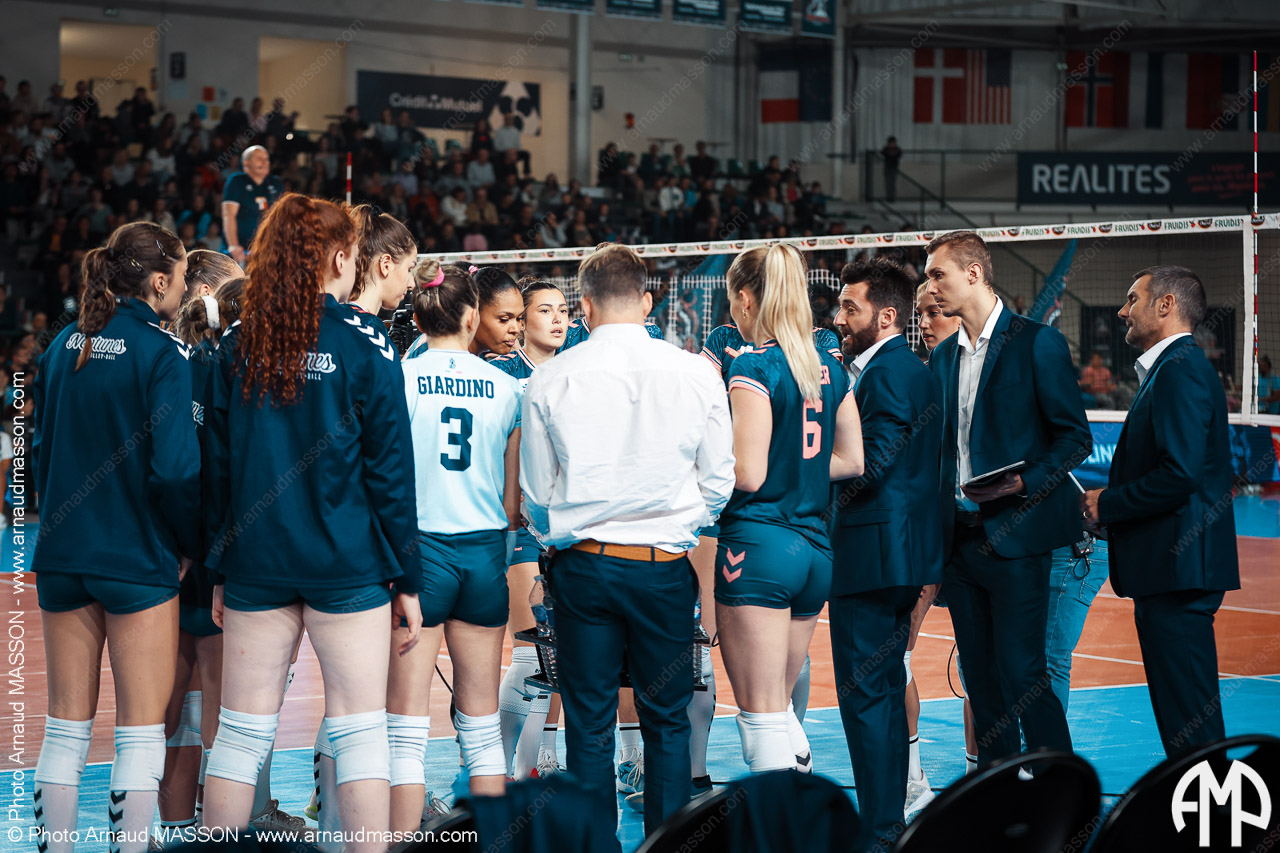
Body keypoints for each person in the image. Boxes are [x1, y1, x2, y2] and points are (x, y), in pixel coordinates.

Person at [202, 195, 422, 853]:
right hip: (347, 565)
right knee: (361, 732)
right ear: (340, 257)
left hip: (256, 562)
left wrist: (219, 565)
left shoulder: (237, 343)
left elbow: (216, 471)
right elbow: (391, 475)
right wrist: (408, 579)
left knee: (240, 733)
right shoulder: (368, 344)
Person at [520, 243, 736, 836]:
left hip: (583, 567)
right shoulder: (696, 373)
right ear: (647, 301)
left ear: (584, 306)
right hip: (662, 566)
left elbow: (535, 492)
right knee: (667, 720)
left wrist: (562, 533)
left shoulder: (551, 377)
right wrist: (678, 526)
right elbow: (720, 481)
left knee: (588, 722)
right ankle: (667, 845)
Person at [31, 222, 198, 853]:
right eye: (180, 276)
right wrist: (187, 542)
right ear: (158, 281)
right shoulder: (162, 352)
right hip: (136, 557)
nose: (183, 288)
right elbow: (177, 470)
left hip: (63, 555)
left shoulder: (62, 344)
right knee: (139, 731)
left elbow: (39, 451)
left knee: (63, 728)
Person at [924, 230, 1088, 766]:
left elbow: (1074, 438)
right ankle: (998, 788)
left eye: (938, 274)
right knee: (980, 680)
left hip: (1017, 537)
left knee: (1023, 673)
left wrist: (1022, 482)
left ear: (973, 273)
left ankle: (1061, 788)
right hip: (961, 543)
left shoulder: (1036, 342)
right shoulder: (943, 357)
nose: (931, 287)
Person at [713, 244, 864, 779]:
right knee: (778, 712)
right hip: (814, 551)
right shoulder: (829, 366)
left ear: (746, 299)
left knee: (762, 721)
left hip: (759, 546)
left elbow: (748, 474)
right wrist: (800, 470)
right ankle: (796, 805)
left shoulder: (752, 365)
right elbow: (852, 459)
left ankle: (781, 820)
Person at [1081, 265, 1240, 756]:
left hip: (1178, 575)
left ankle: (1211, 805)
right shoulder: (1173, 369)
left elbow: (1179, 475)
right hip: (1172, 573)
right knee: (1185, 723)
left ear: (1166, 305)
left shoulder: (1179, 369)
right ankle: (1200, 800)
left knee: (1192, 728)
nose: (1122, 311)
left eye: (1133, 299)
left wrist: (1106, 504)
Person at [388, 264, 523, 831]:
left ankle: (398, 843)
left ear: (418, 319)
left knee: (404, 729)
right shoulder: (507, 387)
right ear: (472, 317)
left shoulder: (398, 377)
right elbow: (514, 502)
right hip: (485, 555)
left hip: (419, 554)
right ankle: (492, 841)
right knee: (483, 725)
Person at [830, 257, 941, 852]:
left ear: (887, 316)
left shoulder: (889, 372)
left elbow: (868, 466)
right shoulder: (902, 368)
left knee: (867, 701)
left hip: (873, 560)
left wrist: (793, 469)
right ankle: (889, 825)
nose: (839, 317)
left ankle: (878, 834)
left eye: (851, 307)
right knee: (884, 696)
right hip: (898, 558)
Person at [492, 278, 569, 781]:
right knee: (533, 652)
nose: (558, 319)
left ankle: (540, 760)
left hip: (565, 526)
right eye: (545, 310)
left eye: (563, 310)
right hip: (518, 524)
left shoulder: (574, 371)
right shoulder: (502, 373)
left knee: (558, 654)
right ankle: (500, 771)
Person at [404, 267, 523, 361]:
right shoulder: (438, 351)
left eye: (519, 318)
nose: (516, 329)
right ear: (473, 315)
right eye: (504, 319)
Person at [221, 145, 283, 265]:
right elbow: (228, 214)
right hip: (239, 253)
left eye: (267, 159)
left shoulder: (276, 183)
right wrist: (233, 245)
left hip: (267, 252)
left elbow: (281, 217)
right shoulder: (237, 181)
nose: (265, 162)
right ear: (246, 163)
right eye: (259, 158)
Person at [493, 112, 531, 177]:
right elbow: (496, 146)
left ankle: (526, 174)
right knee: (497, 157)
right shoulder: (499, 131)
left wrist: (514, 152)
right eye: (507, 118)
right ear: (504, 119)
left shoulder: (515, 131)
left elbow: (519, 146)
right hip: (503, 153)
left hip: (514, 153)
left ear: (513, 120)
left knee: (526, 154)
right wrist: (508, 151)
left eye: (511, 118)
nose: (509, 120)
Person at [880, 137, 902, 203]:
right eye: (890, 143)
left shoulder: (897, 149)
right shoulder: (886, 149)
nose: (892, 144)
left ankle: (892, 198)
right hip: (887, 168)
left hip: (894, 168)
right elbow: (883, 152)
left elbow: (899, 155)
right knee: (888, 184)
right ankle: (888, 197)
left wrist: (892, 155)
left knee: (893, 184)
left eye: (893, 143)